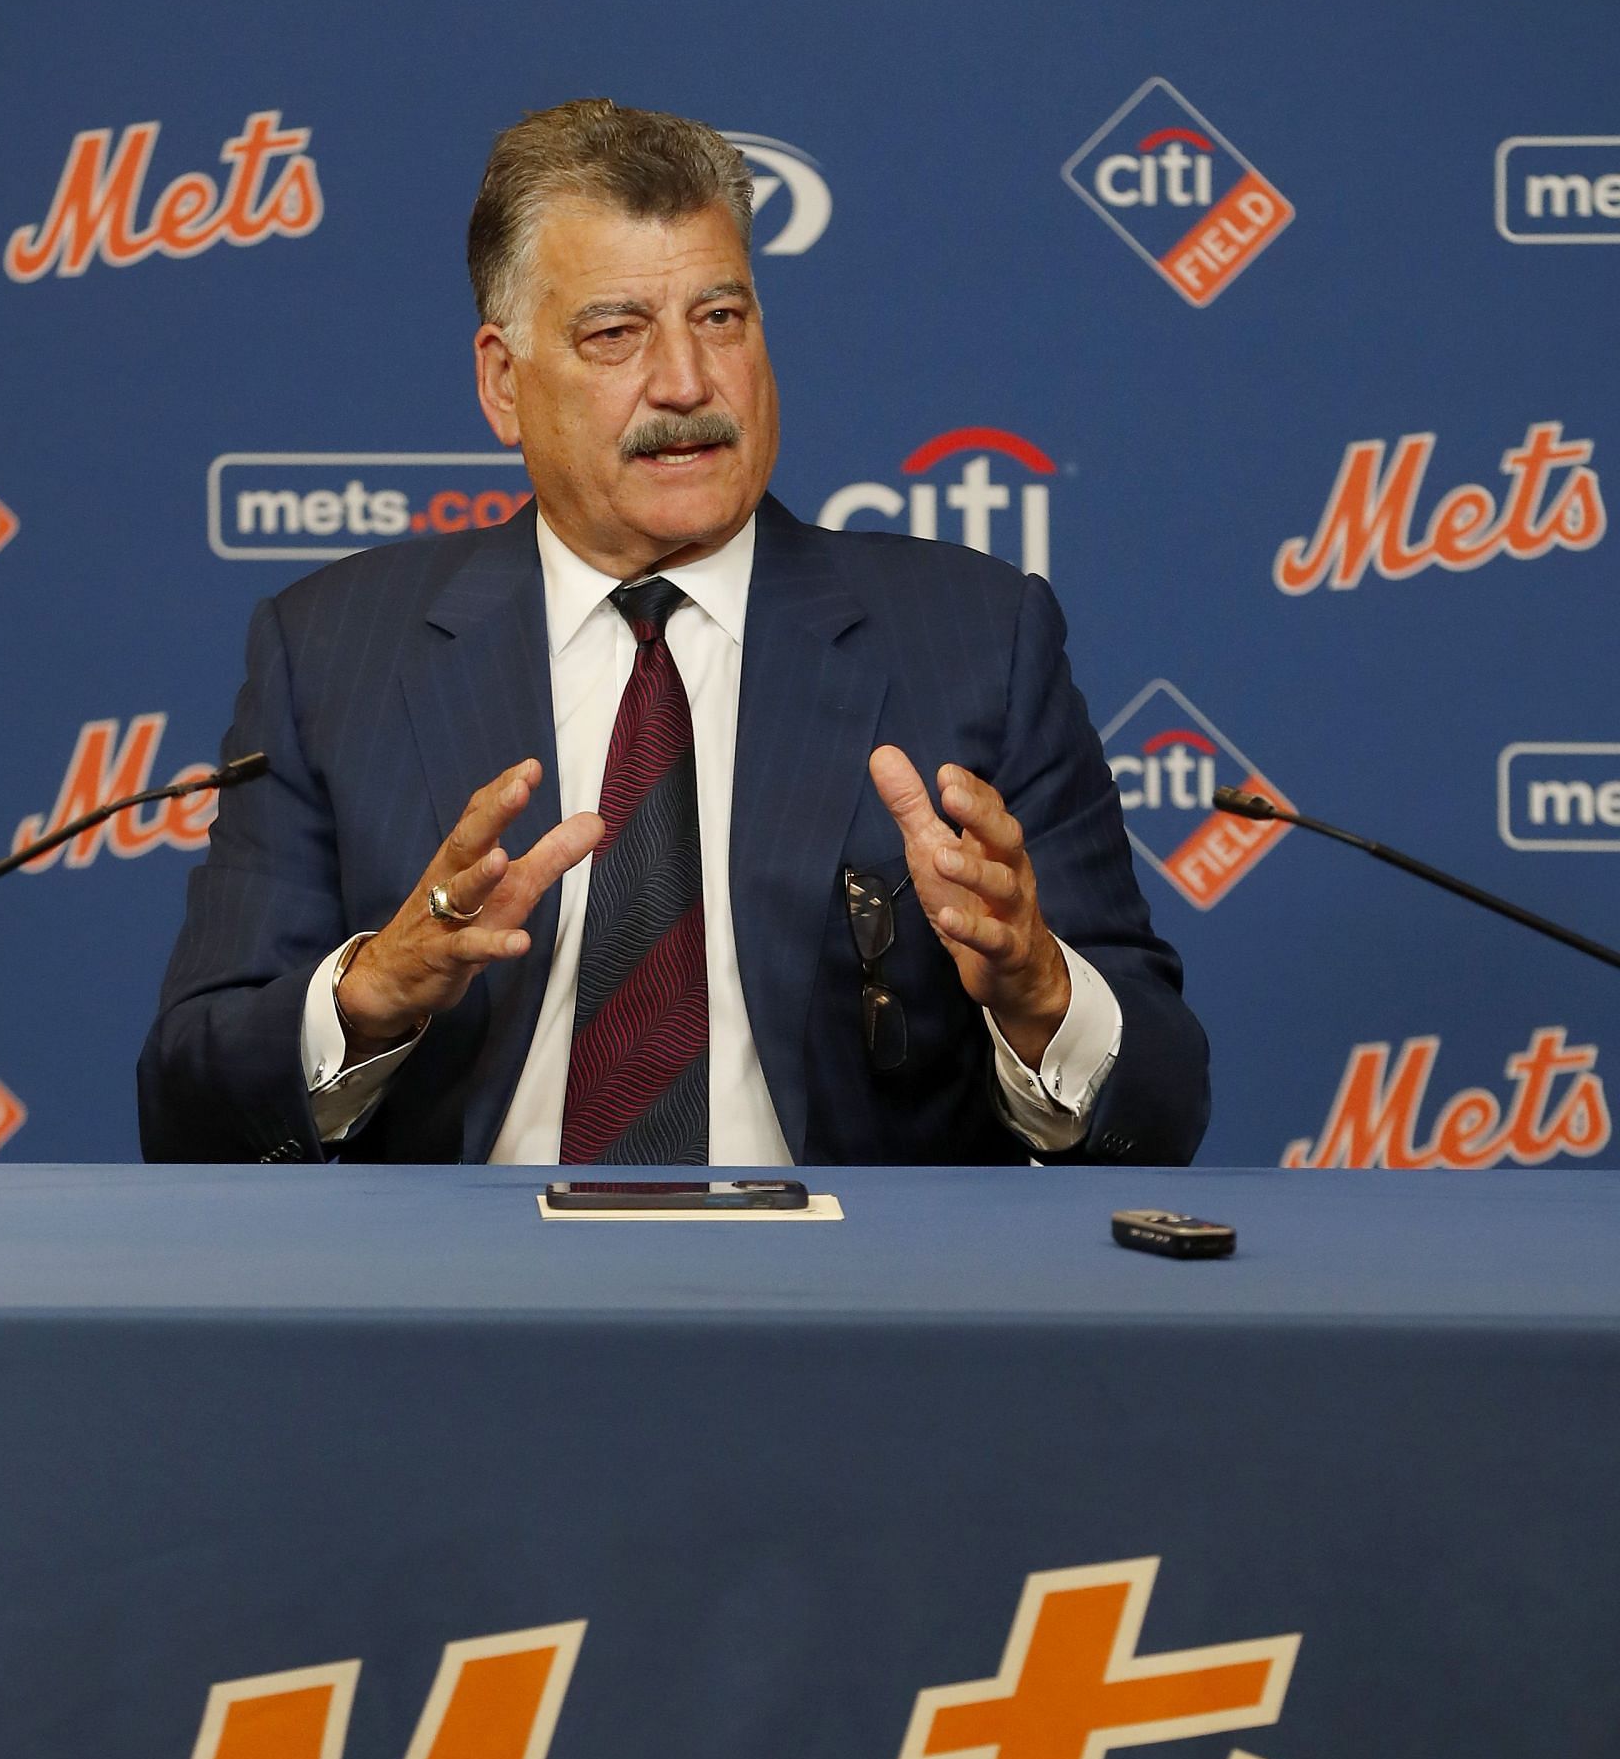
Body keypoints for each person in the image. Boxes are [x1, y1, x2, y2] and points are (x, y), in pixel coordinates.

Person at [139, 101, 1207, 1168]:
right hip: (474, 1299)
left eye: (721, 318)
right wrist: (366, 996)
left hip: (841, 1298)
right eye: (615, 334)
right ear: (503, 383)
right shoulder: (334, 654)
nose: (687, 384)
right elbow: (187, 1105)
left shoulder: (972, 640)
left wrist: (1041, 993)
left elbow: (1164, 1100)